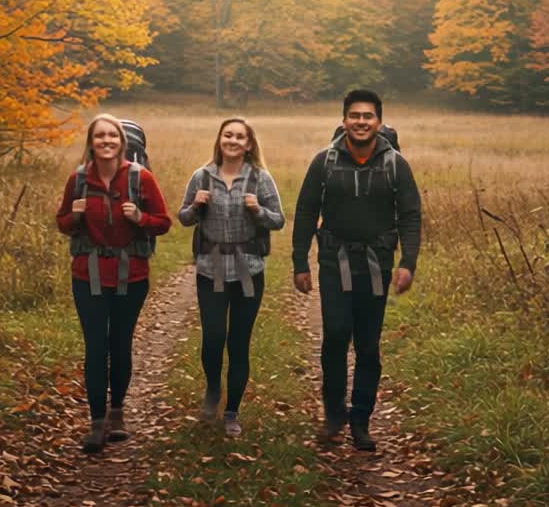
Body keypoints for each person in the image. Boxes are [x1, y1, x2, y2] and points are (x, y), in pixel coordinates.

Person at [292, 89, 421, 451]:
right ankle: (334, 415)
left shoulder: (396, 164)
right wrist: (300, 261)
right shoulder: (324, 161)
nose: (361, 122)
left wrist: (407, 263)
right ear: (344, 120)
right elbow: (305, 211)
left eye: (368, 116)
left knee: (367, 345)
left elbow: (411, 216)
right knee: (335, 335)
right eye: (354, 115)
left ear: (378, 121)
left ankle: (360, 421)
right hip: (334, 261)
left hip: (377, 265)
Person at [56, 114, 171, 454]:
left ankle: (117, 413)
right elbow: (62, 223)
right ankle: (96, 423)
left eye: (112, 136)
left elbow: (163, 223)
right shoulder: (78, 179)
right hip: (87, 274)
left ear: (122, 142)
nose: (106, 141)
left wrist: (140, 218)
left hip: (130, 275)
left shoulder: (141, 178)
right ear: (91, 142)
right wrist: (73, 215)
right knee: (95, 347)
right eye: (99, 136)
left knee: (119, 343)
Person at [178, 117, 284, 437]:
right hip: (210, 270)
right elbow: (183, 218)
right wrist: (196, 206)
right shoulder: (202, 176)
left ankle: (232, 412)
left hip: (248, 270)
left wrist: (258, 211)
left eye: (240, 136)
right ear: (220, 139)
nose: (233, 141)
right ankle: (213, 389)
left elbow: (278, 220)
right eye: (228, 135)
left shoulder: (260, 179)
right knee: (213, 337)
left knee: (239, 342)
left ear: (249, 144)